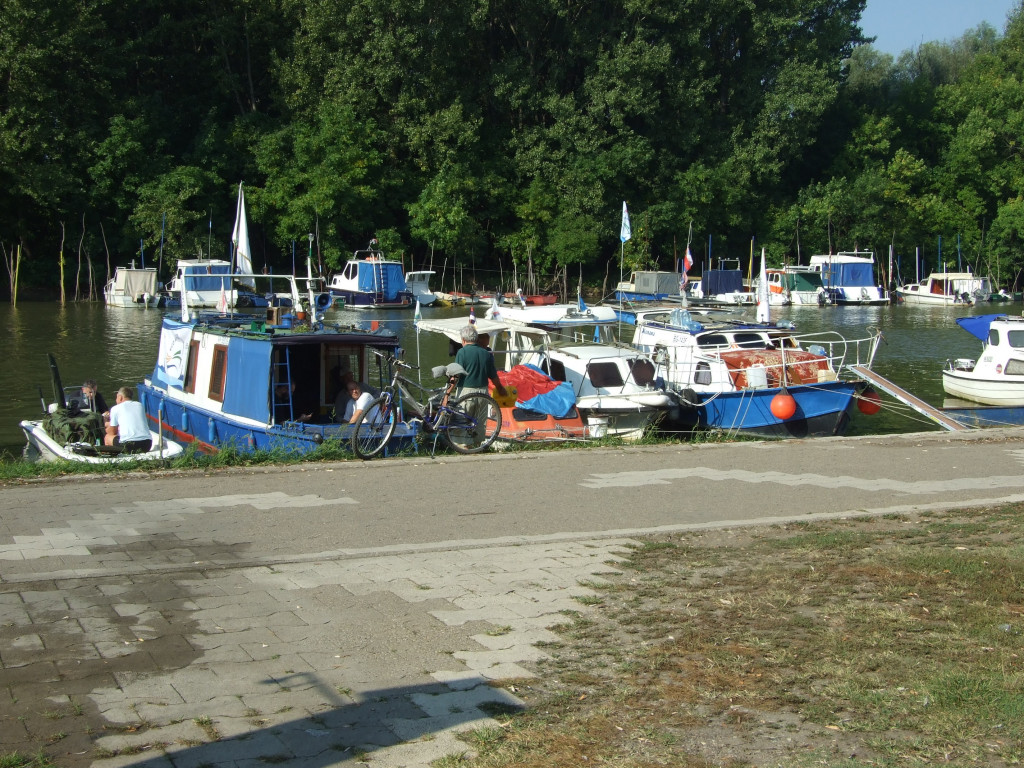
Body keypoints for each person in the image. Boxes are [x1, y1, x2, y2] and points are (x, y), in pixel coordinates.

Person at [454, 325, 506, 445]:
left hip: (466, 392)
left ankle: (464, 446)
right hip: (483, 393)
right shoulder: (486, 353)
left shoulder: (462, 352)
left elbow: (456, 374)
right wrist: (500, 389)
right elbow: (493, 375)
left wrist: (447, 392)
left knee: (462, 420)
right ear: (476, 339)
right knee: (479, 422)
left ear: (463, 339)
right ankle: (477, 445)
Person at [104, 387, 152, 453]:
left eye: (116, 397)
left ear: (120, 397)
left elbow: (112, 432)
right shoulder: (140, 405)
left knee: (107, 437)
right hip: (147, 445)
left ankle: (110, 456)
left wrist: (105, 428)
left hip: (129, 445)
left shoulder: (115, 408)